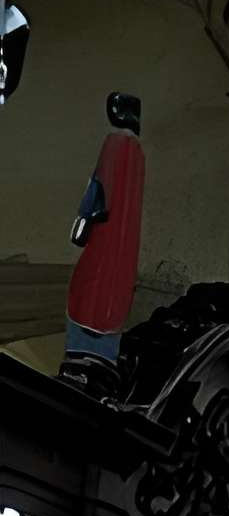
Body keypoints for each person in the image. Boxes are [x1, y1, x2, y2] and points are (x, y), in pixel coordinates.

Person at [61, 93, 145, 389]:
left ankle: (81, 366)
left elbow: (98, 195)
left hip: (102, 243)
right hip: (123, 251)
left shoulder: (114, 145)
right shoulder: (138, 154)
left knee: (88, 296)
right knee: (113, 296)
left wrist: (83, 219)